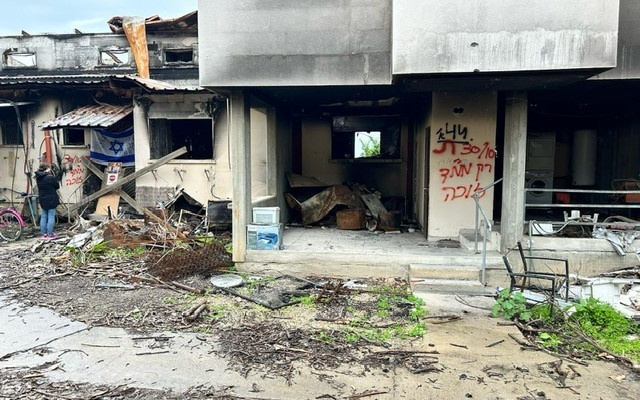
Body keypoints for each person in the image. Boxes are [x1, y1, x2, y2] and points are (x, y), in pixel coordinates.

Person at [34, 163, 60, 238]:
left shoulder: (38, 178)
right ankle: (50, 234)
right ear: (46, 169)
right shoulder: (50, 177)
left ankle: (43, 234)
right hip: (51, 199)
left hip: (42, 199)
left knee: (44, 216)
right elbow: (57, 186)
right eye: (49, 168)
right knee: (51, 216)